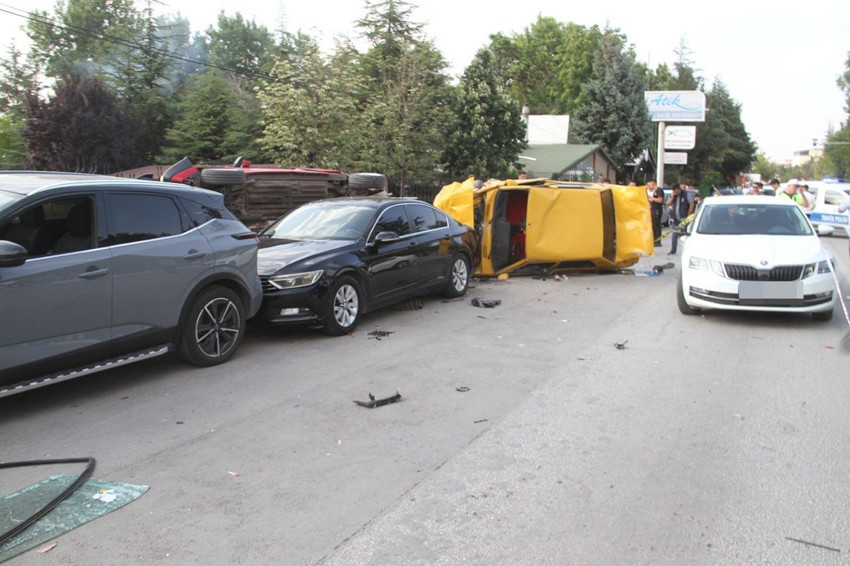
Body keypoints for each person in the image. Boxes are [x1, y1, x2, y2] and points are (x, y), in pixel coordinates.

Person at [666, 183, 694, 255]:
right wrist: (672, 197)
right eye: (674, 192)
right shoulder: (673, 196)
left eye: (676, 191)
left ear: (679, 189)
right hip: (675, 218)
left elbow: (691, 204)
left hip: (684, 218)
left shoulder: (686, 194)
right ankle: (673, 249)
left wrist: (689, 215)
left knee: (684, 234)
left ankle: (687, 250)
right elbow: (668, 204)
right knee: (674, 234)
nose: (675, 193)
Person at [646, 180, 664, 247]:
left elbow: (660, 200)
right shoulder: (653, 192)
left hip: (657, 210)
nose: (649, 187)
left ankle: (658, 240)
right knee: (653, 225)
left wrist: (651, 197)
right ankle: (654, 239)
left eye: (649, 185)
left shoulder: (659, 191)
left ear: (653, 184)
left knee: (656, 225)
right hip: (652, 209)